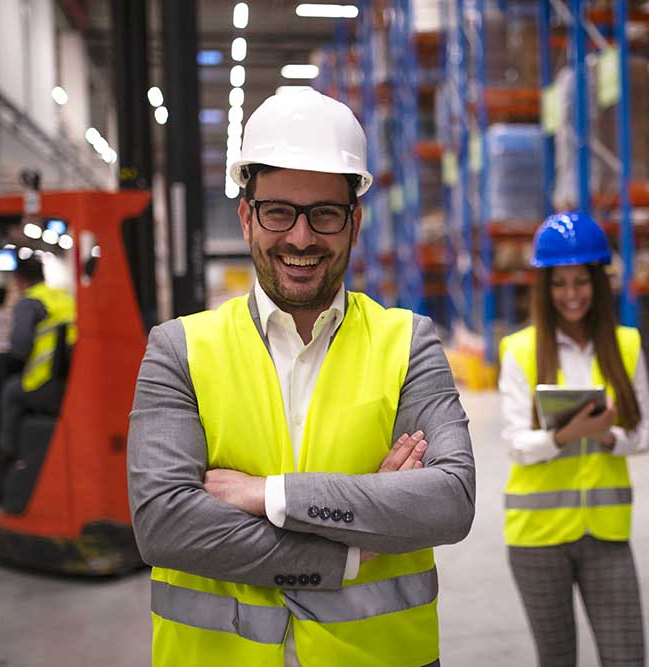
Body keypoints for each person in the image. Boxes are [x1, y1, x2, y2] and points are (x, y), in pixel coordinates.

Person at [127, 88, 475, 667]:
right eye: (279, 211)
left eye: (325, 214)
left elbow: (450, 502)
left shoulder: (408, 342)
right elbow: (164, 523)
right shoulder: (179, 350)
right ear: (247, 216)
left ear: (354, 222)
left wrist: (269, 494)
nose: (301, 238)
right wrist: (347, 550)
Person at [498, 212, 649, 667]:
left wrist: (608, 439)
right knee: (558, 659)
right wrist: (565, 436)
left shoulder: (626, 345)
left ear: (598, 284)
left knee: (626, 657)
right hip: (536, 539)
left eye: (581, 282)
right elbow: (515, 444)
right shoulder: (521, 350)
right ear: (545, 289)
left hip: (606, 534)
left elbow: (645, 432)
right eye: (560, 283)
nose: (571, 295)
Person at [0, 255, 76, 456]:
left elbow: (20, 347)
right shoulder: (63, 297)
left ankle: (7, 454)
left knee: (9, 392)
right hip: (69, 380)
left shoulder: (29, 303)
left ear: (19, 280)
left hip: (44, 382)